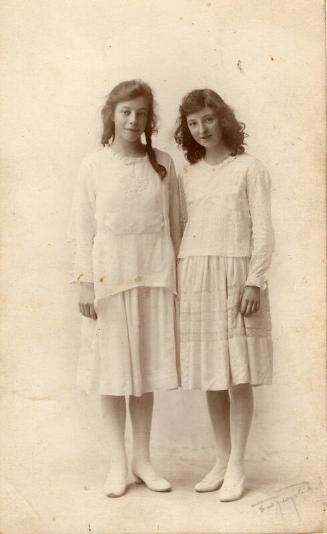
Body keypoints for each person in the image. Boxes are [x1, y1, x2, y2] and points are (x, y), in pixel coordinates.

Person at [70, 80, 181, 498]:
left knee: (145, 373)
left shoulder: (164, 164)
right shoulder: (93, 166)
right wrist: (84, 283)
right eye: (125, 112)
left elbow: (176, 224)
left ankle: (143, 459)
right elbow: (82, 230)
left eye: (140, 113)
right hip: (108, 280)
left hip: (153, 277)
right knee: (113, 374)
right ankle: (118, 462)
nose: (133, 120)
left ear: (149, 118)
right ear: (112, 115)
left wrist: (176, 282)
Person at [174, 89, 274, 501]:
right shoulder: (188, 174)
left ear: (224, 119)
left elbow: (264, 230)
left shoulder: (249, 168)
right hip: (196, 273)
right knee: (212, 375)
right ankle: (220, 458)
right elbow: (183, 228)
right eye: (193, 123)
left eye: (208, 120)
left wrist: (255, 280)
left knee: (237, 375)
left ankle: (237, 466)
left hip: (236, 275)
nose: (201, 129)